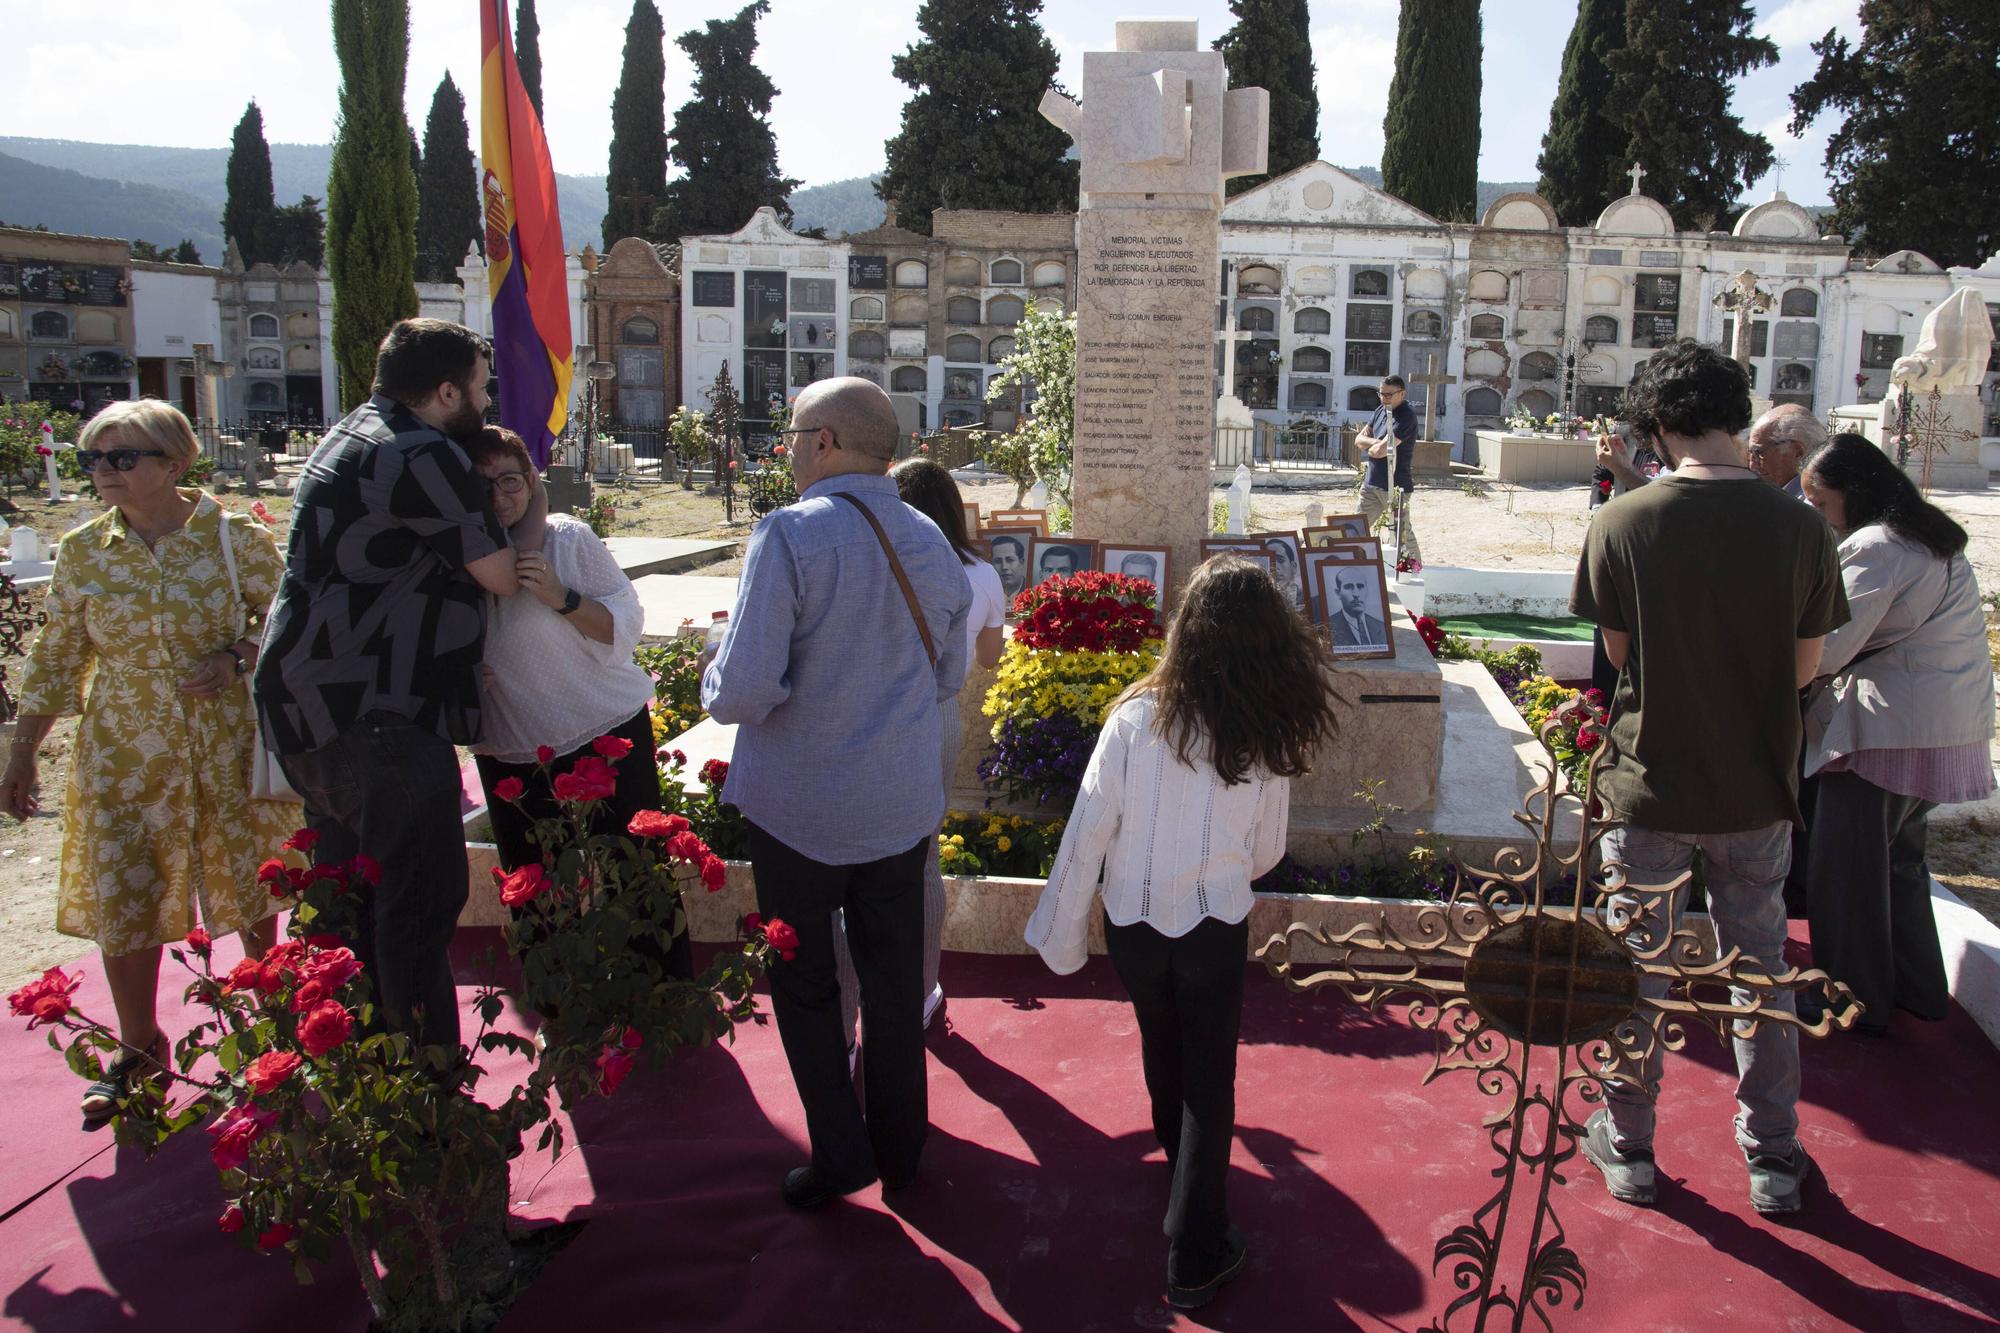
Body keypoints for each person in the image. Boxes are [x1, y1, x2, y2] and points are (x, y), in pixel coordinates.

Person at [1570, 339, 1848, 1217]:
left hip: (1651, 783)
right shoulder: (1801, 524)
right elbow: (1807, 668)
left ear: (1657, 423)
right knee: (1760, 969)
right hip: (1755, 786)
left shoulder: (1622, 519)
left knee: (1636, 967)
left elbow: (1618, 657)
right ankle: (1772, 1153)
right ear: (1740, 417)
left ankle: (1633, 1141)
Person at [1025, 556, 1338, 1310]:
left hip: (1132, 924)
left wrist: (1062, 932)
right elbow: (1266, 852)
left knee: (1163, 1049)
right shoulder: (1263, 730)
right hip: (1212, 925)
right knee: (1209, 1078)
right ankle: (1196, 1251)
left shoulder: (1135, 717)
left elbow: (1089, 829)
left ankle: (1184, 1179)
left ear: (1187, 630)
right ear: (1272, 641)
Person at [703, 376, 969, 1208]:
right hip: (895, 803)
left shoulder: (789, 535)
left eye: (791, 434)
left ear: (824, 443)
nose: (785, 450)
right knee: (894, 986)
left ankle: (839, 1150)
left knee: (808, 981)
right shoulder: (930, 538)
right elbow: (948, 675)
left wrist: (717, 666)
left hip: (801, 808)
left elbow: (740, 691)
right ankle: (901, 1146)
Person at [2, 399, 300, 1125]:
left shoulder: (236, 539)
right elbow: (56, 658)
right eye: (94, 459)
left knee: (252, 888)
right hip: (125, 754)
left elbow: (293, 623)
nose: (104, 471)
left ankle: (282, 1034)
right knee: (126, 896)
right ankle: (138, 1048)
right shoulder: (81, 550)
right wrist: (21, 754)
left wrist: (237, 657)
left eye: (121, 457)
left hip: (226, 743)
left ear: (174, 462)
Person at [255, 319, 520, 1053]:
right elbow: (496, 571)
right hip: (379, 707)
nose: (486, 396)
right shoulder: (422, 450)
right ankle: (427, 1096)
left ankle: (355, 1069)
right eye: (478, 384)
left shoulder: (352, 432)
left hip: (312, 705)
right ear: (444, 391)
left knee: (351, 896)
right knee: (418, 902)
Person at [463, 426, 690, 982]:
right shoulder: (455, 556)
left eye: (510, 480)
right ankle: (559, 1003)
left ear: (530, 481)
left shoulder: (567, 539)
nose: (499, 495)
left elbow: (624, 625)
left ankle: (659, 994)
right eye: (483, 483)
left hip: (602, 729)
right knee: (533, 880)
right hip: (514, 744)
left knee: (634, 868)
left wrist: (560, 597)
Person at [1798, 434, 1993, 1033]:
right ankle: (1917, 988)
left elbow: (1826, 649)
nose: (1819, 518)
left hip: (1887, 734)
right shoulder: (1929, 536)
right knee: (1900, 867)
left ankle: (1851, 1003)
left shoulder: (1877, 546)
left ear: (1854, 496)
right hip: (1943, 726)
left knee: (1846, 872)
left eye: (1822, 504)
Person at [826, 458, 1004, 1057]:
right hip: (940, 715)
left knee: (852, 869)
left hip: (870, 718)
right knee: (921, 857)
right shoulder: (978, 573)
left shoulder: (869, 559)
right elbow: (989, 661)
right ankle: (921, 988)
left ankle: (847, 1022)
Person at [1354, 375, 1421, 570]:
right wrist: (1378, 442)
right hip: (1372, 484)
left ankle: (1415, 571)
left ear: (1402, 394)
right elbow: (1359, 440)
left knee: (1403, 533)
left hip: (1396, 486)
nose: (1383, 398)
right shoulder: (1380, 410)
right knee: (1356, 529)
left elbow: (1380, 451)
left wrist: (1377, 445)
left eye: (1388, 395)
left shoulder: (1406, 417)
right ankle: (1353, 567)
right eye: (1381, 394)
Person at [1746, 404, 1827, 499]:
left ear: (1798, 452)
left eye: (1758, 452)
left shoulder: (1813, 503)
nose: (1752, 465)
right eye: (1749, 453)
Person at [1327, 566, 1387, 649]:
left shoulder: (1381, 626)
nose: (1356, 594)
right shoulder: (1327, 627)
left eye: (1360, 586)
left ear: (1367, 589)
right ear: (1338, 593)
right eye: (1348, 587)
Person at [1265, 538, 1305, 611]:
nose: (1274, 566)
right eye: (1269, 560)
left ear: (1293, 567)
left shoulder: (1307, 599)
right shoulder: (1259, 600)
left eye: (1280, 560)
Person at [991, 534, 1028, 602]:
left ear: (1021, 562)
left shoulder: (1034, 592)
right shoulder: (988, 593)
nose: (1004, 567)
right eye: (998, 561)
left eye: (1010, 560)